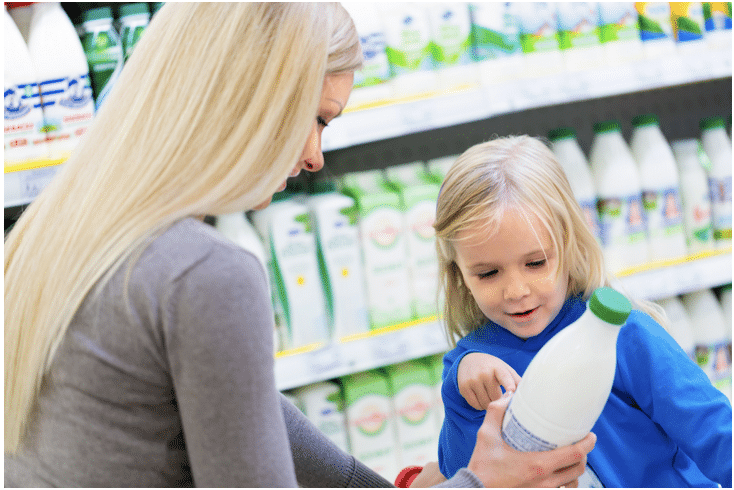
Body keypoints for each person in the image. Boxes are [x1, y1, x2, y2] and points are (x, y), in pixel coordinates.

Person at [4, 3, 594, 487]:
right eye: (314, 119)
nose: (314, 156)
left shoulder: (65, 232)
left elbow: (313, 462)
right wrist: (482, 484)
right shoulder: (204, 275)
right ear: (247, 96)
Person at [433, 135, 733, 487]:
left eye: (536, 262)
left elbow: (713, 431)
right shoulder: (471, 367)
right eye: (487, 273)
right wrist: (460, 397)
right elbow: (464, 474)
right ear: (459, 274)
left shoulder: (623, 336)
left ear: (570, 245)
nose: (516, 291)